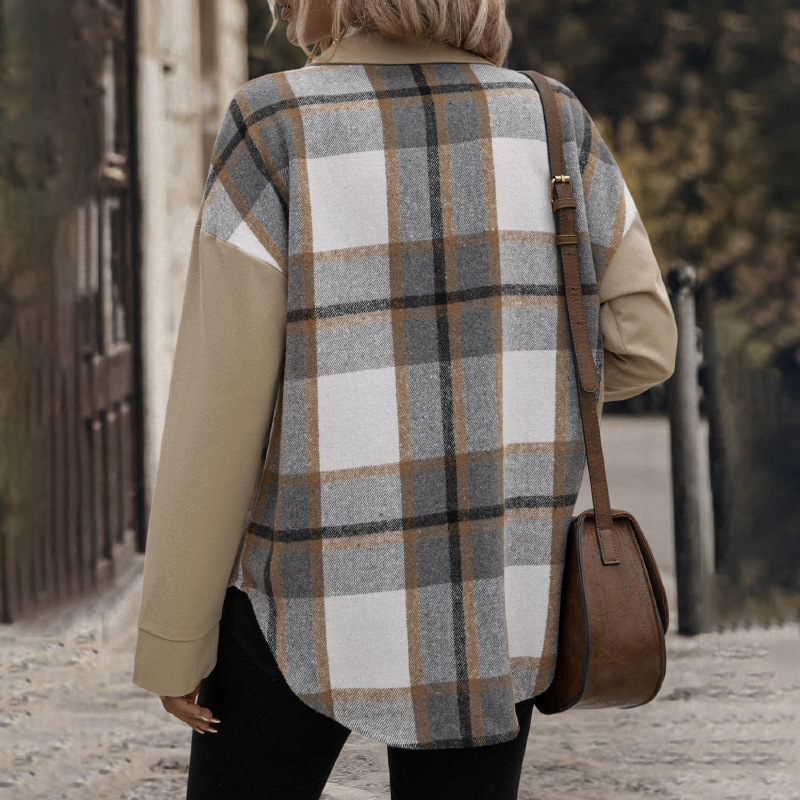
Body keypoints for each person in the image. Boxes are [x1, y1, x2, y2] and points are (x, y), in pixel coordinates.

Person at [132, 0, 678, 797]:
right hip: (492, 598)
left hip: (302, 594)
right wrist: (511, 390)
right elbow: (645, 345)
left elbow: (221, 410)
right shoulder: (553, 118)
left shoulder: (274, 122)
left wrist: (175, 640)